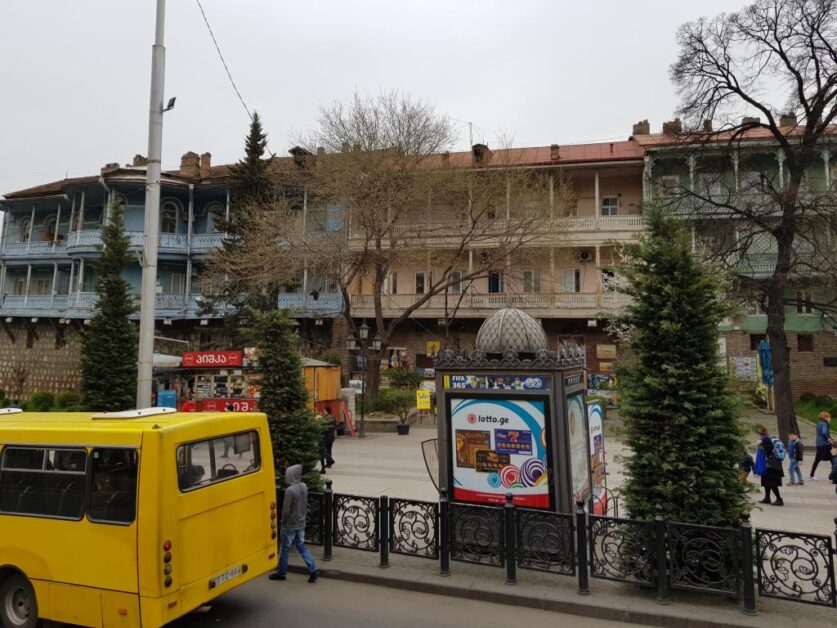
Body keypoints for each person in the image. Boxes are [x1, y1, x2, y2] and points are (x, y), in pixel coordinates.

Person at [269, 464, 319, 583]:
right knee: (301, 546)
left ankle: (281, 573)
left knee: (285, 549)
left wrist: (283, 522)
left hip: (290, 524)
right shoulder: (304, 486)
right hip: (301, 522)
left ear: (291, 475)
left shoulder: (290, 490)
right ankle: (313, 568)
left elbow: (286, 510)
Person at [756, 428, 784, 506]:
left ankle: (779, 499)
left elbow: (769, 449)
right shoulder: (765, 439)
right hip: (768, 465)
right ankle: (767, 498)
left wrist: (761, 443)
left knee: (772, 483)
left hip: (772, 466)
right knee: (765, 482)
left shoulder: (766, 440)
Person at [809, 411, 833, 480]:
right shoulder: (825, 424)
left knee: (818, 460)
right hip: (824, 444)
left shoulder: (819, 423)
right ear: (825, 417)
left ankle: (811, 475)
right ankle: (833, 476)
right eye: (829, 417)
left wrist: (831, 438)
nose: (830, 419)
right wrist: (828, 439)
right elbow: (824, 432)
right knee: (833, 459)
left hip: (820, 444)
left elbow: (824, 433)